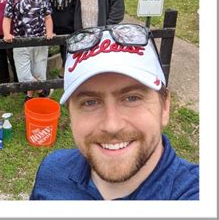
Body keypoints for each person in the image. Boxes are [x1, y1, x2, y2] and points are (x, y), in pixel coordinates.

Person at [30, 24, 199, 200]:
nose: (112, 126)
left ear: (164, 107)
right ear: (71, 114)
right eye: (90, 102)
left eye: (132, 98)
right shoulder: (51, 173)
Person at [3, 0, 54, 102]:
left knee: (38, 72)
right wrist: (6, 33)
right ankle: (44, 90)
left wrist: (49, 32)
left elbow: (48, 17)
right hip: (20, 41)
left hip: (40, 41)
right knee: (24, 76)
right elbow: (7, 18)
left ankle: (30, 96)